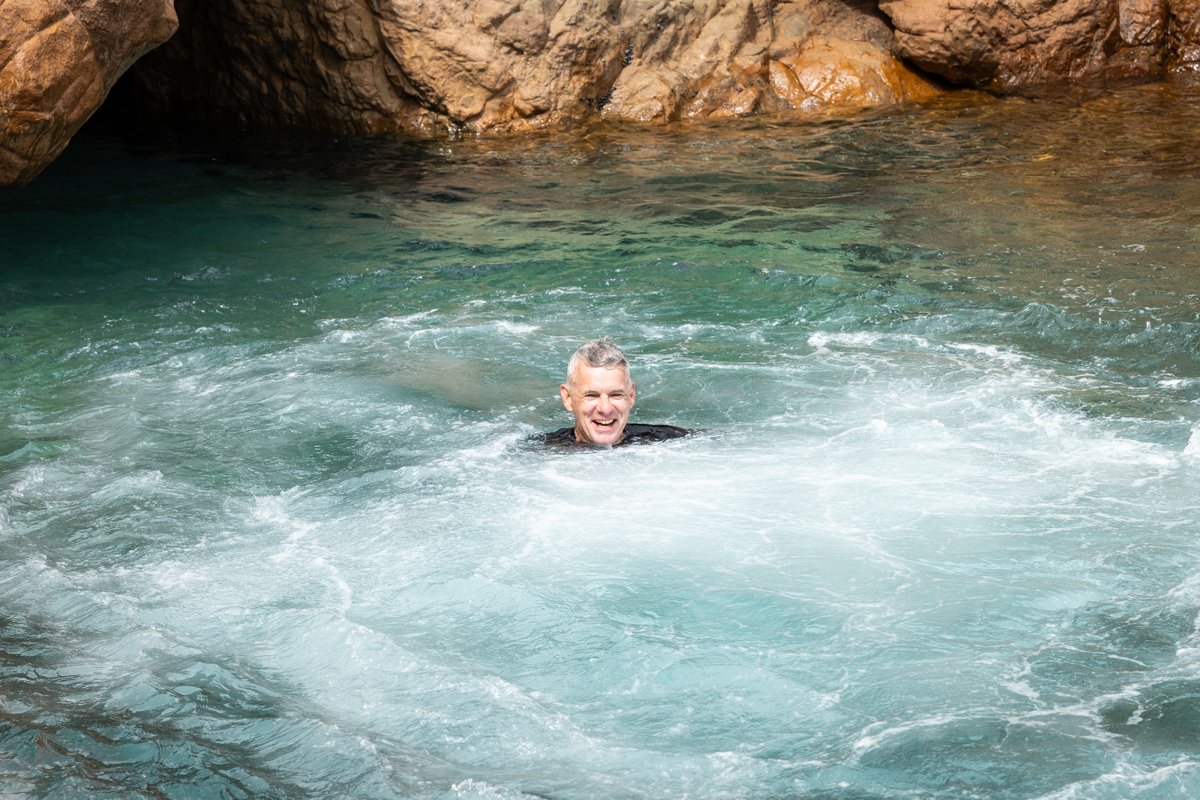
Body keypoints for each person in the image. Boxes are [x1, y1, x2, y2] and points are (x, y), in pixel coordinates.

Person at [539, 339, 689, 447]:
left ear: (631, 395)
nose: (606, 409)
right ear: (568, 398)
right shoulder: (539, 451)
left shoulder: (672, 441)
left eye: (616, 395)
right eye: (592, 395)